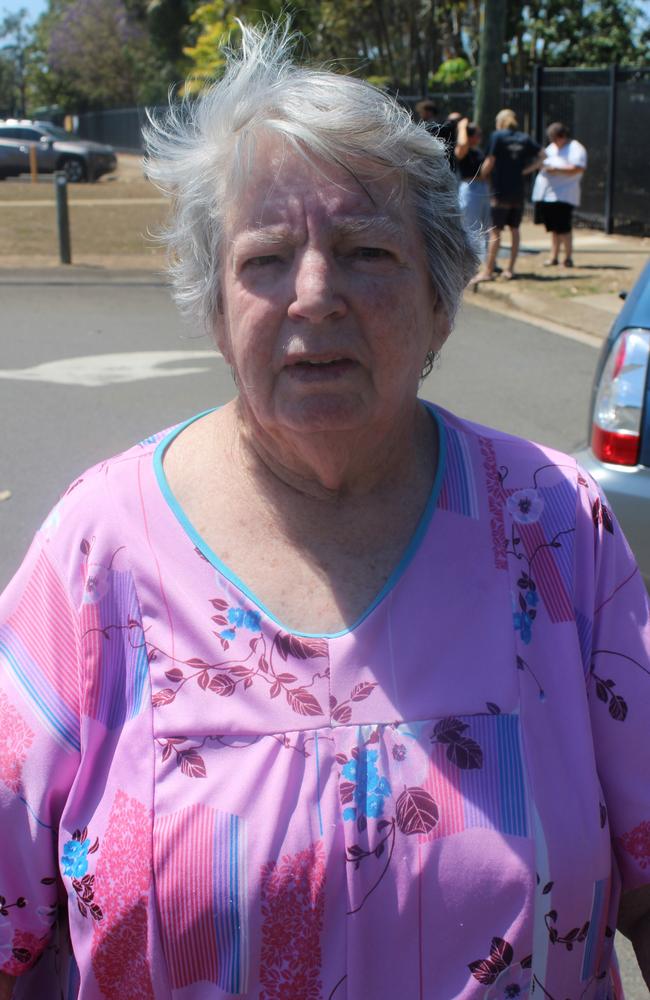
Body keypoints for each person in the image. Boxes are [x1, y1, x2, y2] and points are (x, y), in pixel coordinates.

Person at [1, 23, 649, 1000]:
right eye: (265, 258)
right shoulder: (100, 552)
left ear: (439, 296)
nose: (314, 294)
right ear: (215, 305)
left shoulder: (553, 524)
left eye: (365, 251)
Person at [474, 109, 543, 282]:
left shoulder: (497, 137)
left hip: (500, 190)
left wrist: (480, 175)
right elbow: (543, 156)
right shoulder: (523, 138)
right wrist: (524, 171)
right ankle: (510, 269)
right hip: (518, 191)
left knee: (495, 231)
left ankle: (488, 270)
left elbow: (490, 161)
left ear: (500, 121)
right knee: (515, 229)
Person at [532, 121, 588, 268]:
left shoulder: (576, 148)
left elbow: (578, 168)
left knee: (564, 228)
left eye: (555, 138)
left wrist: (556, 170)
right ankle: (554, 256)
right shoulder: (552, 148)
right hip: (549, 195)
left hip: (565, 195)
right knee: (554, 229)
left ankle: (568, 258)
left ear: (562, 136)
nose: (553, 142)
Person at [455, 117, 490, 257]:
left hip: (484, 187)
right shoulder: (463, 149)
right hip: (470, 188)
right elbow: (462, 144)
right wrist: (462, 127)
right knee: (471, 226)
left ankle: (487, 260)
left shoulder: (479, 151)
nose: (480, 137)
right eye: (477, 134)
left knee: (487, 227)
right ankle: (471, 259)